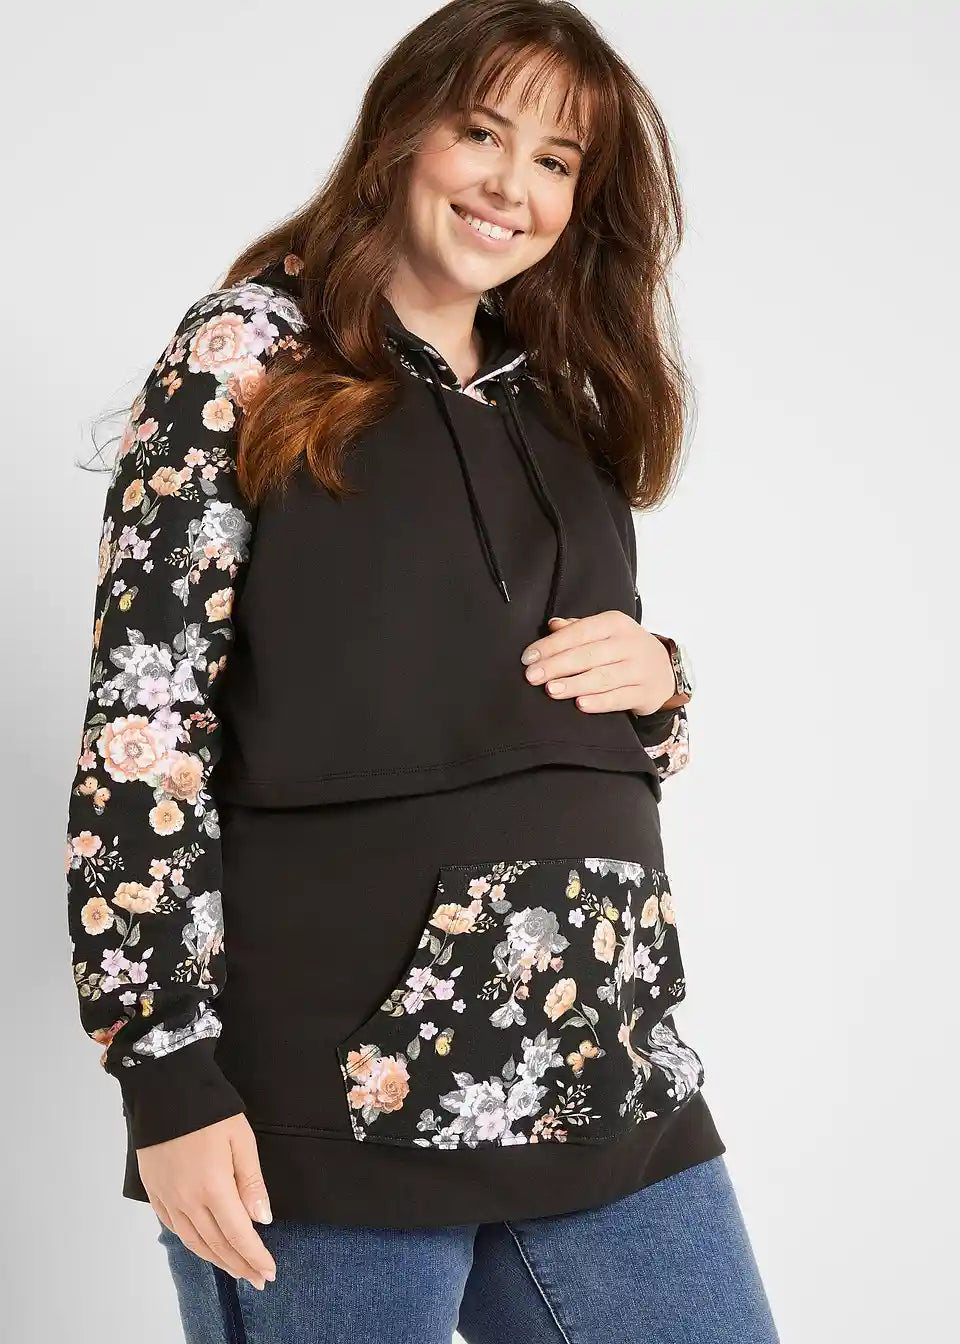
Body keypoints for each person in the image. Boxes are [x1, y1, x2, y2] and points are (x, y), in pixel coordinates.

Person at [64, 2, 780, 1340]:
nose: (514, 184)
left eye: (557, 159)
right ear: (403, 132)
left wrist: (662, 686)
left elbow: (544, 703)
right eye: (482, 133)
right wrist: (166, 1072)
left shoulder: (556, 397)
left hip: (600, 1054)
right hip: (336, 1079)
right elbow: (146, 721)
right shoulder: (248, 355)